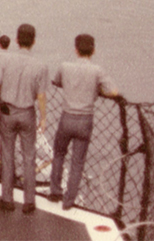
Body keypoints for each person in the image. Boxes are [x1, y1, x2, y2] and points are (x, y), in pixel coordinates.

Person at [48, 34, 119, 210]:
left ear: (76, 49)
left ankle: (54, 191)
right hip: (85, 120)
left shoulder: (65, 66)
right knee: (77, 162)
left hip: (66, 118)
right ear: (93, 51)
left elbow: (56, 81)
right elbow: (114, 92)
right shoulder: (97, 71)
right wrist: (96, 91)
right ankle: (69, 200)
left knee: (58, 154)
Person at [0, 23, 49, 214]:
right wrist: (43, 118)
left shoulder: (5, 60)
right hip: (27, 113)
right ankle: (29, 201)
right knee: (29, 157)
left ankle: (7, 198)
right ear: (34, 42)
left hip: (7, 114)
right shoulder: (41, 66)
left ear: (17, 40)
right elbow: (42, 96)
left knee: (7, 154)